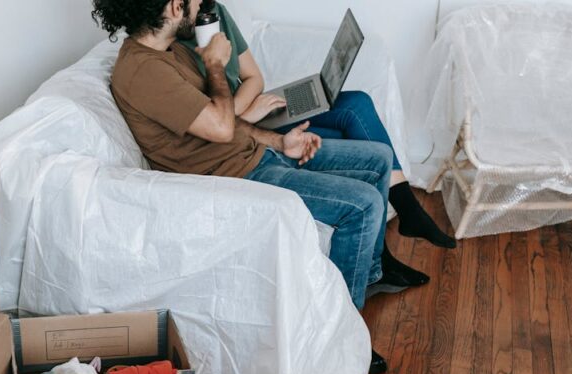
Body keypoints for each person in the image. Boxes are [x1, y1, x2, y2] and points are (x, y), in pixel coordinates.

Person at [91, 0, 429, 374]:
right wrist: (215, 63)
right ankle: (339, 341)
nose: (201, 4)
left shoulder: (168, 54)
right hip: (233, 176)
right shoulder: (142, 72)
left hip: (253, 154)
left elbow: (227, 124)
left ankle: (366, 277)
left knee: (378, 158)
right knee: (362, 205)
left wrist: (277, 141)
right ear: (174, 7)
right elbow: (220, 126)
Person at [178, 1, 456, 249]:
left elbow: (254, 77)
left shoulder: (216, 13)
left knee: (357, 102)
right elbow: (213, 124)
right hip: (242, 127)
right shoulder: (174, 50)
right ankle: (394, 236)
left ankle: (405, 215)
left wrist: (246, 107)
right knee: (346, 134)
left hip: (251, 110)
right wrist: (243, 116)